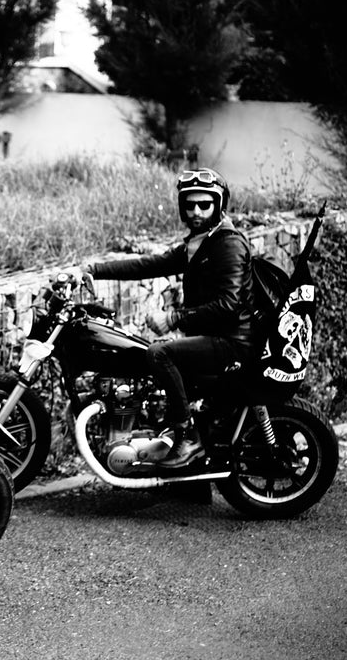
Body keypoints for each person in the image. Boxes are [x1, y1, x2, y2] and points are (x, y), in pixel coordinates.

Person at [82, 167, 255, 467]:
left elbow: (228, 304)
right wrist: (95, 270)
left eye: (204, 204)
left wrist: (174, 319)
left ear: (218, 205)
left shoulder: (227, 244)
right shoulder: (200, 243)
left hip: (232, 341)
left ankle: (185, 434)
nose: (196, 211)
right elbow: (150, 265)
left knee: (159, 353)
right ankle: (182, 464)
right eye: (190, 205)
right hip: (215, 336)